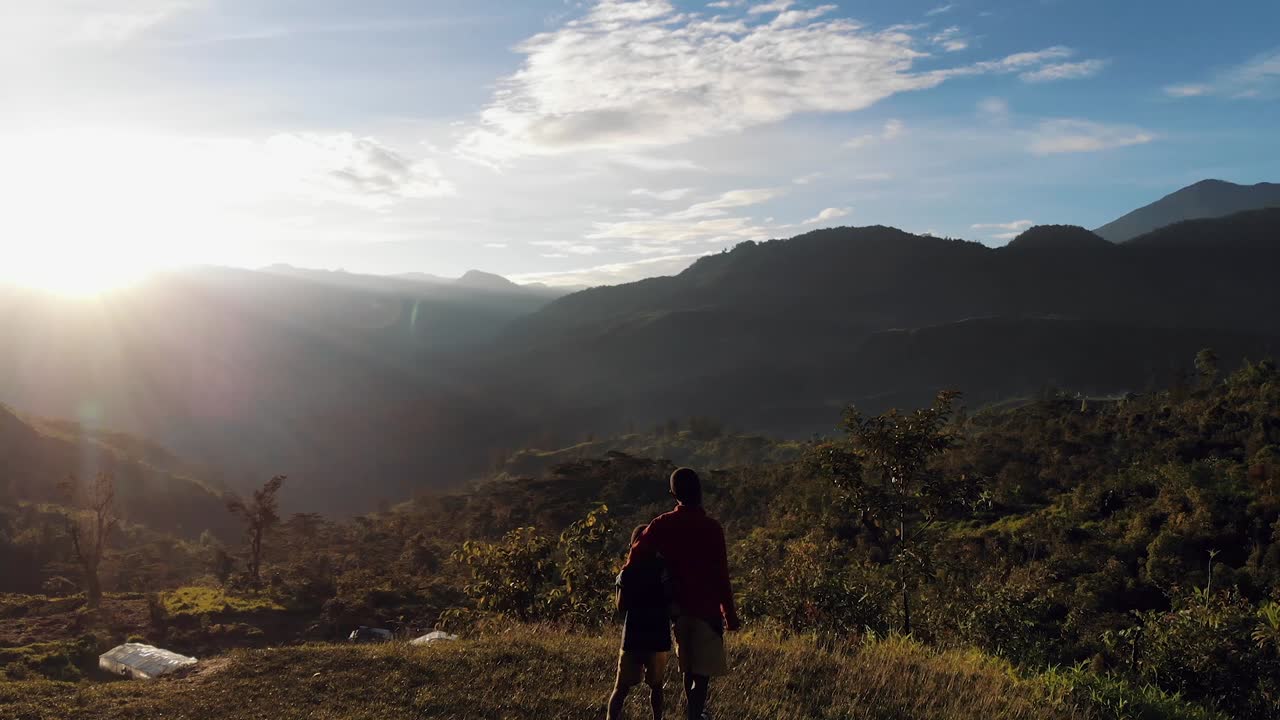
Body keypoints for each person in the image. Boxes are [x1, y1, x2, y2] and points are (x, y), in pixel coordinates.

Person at [626, 467, 739, 720]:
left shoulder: (662, 524)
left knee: (687, 667)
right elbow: (721, 575)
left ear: (673, 494)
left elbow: (636, 553)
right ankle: (695, 714)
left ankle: (694, 711)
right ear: (699, 491)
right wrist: (729, 615)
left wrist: (630, 579)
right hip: (707, 610)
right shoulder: (711, 527)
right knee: (702, 675)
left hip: (678, 610)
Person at [607, 525, 673, 720]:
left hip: (633, 636)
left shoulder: (627, 572)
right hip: (657, 635)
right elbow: (670, 597)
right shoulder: (663, 568)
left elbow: (621, 607)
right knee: (657, 686)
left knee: (620, 688)